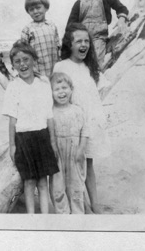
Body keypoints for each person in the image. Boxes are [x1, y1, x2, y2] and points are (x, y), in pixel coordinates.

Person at [53, 23, 109, 214]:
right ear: (70, 44)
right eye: (79, 41)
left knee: (88, 162)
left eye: (86, 41)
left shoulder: (90, 66)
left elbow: (99, 92)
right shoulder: (61, 66)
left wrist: (96, 117)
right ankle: (81, 202)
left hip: (91, 122)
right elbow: (57, 94)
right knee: (73, 165)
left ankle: (94, 203)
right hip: (72, 125)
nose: (83, 44)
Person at [2, 40, 59, 214]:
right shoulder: (13, 87)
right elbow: (12, 120)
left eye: (26, 59)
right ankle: (31, 219)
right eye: (18, 62)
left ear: (34, 60)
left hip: (42, 137)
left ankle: (44, 218)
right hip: (23, 139)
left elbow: (49, 115)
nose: (23, 64)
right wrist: (12, 146)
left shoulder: (43, 84)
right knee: (29, 181)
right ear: (13, 65)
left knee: (42, 181)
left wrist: (53, 141)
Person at [66, 0, 129, 70]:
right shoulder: (78, 4)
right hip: (83, 39)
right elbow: (71, 24)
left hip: (98, 37)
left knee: (96, 63)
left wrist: (121, 19)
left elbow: (121, 7)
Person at [49, 72, 89, 214]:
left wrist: (81, 149)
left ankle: (78, 215)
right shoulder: (50, 113)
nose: (61, 92)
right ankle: (63, 215)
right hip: (57, 154)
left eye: (64, 87)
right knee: (58, 187)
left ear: (71, 89)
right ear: (51, 93)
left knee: (76, 185)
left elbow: (85, 131)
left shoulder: (77, 111)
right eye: (57, 89)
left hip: (75, 153)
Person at [21, 0, 60, 78]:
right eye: (31, 9)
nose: (35, 11)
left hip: (54, 70)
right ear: (28, 12)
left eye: (38, 7)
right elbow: (23, 53)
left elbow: (58, 47)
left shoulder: (52, 26)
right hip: (37, 73)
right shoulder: (27, 29)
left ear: (45, 7)